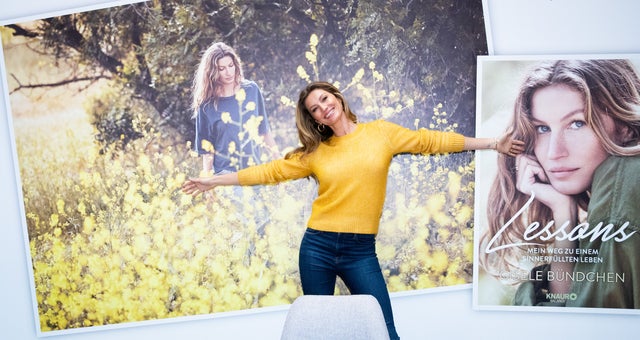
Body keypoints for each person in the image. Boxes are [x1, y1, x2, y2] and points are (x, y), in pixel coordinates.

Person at [183, 81, 524, 339]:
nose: (322, 109)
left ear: (338, 98)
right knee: (319, 332)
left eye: (324, 100)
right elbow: (268, 172)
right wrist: (214, 181)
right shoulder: (316, 153)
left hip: (360, 252)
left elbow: (431, 141)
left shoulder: (381, 134)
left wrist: (494, 143)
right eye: (314, 109)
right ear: (313, 119)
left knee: (386, 333)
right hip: (317, 248)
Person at [479, 59, 640, 308]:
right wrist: (564, 212)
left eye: (577, 123)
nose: (555, 152)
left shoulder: (624, 175)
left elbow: (579, 325)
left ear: (625, 127)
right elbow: (568, 311)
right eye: (542, 128)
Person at [192, 41, 278, 175]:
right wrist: (208, 184)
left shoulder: (252, 90)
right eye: (222, 69)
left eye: (230, 65)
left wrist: (278, 164)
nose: (228, 72)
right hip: (226, 177)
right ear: (212, 72)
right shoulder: (206, 106)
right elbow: (207, 152)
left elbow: (264, 131)